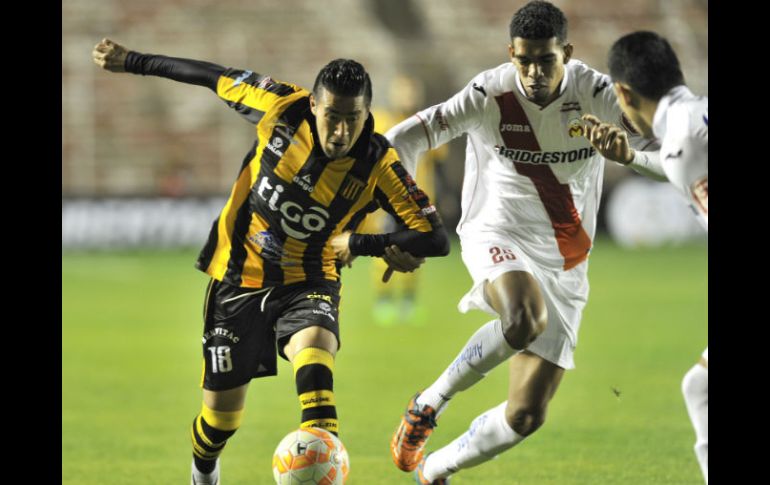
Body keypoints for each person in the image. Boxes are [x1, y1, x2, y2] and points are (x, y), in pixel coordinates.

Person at [92, 38, 450, 485]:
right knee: (219, 421)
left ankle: (318, 467)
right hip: (238, 277)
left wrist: (363, 244)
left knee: (317, 370)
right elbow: (211, 75)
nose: (340, 132)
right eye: (331, 118)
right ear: (314, 105)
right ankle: (203, 472)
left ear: (366, 114)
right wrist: (134, 61)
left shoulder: (379, 162)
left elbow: (435, 237)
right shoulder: (279, 106)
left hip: (311, 278)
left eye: (352, 120)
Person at [383, 2, 660, 483]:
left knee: (526, 415)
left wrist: (630, 154)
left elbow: (664, 147)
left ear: (567, 54)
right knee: (524, 317)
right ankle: (430, 402)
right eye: (524, 60)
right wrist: (409, 218)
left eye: (546, 60)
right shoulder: (488, 92)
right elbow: (402, 139)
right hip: (498, 231)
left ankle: (435, 469)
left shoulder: (594, 91)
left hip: (568, 259)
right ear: (510, 53)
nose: (533, 72)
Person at [582, 31, 708, 483]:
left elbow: (679, 163)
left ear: (623, 92)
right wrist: (632, 156)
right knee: (701, 387)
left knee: (702, 389)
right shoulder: (696, 116)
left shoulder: (680, 146)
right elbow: (677, 166)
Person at [364, 74, 450, 326]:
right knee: (386, 248)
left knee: (417, 250)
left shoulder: (426, 125)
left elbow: (439, 164)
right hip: (389, 200)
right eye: (403, 92)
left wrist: (445, 195)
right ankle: (384, 299)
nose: (408, 98)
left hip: (420, 201)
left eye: (412, 92)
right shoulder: (381, 121)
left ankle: (408, 301)